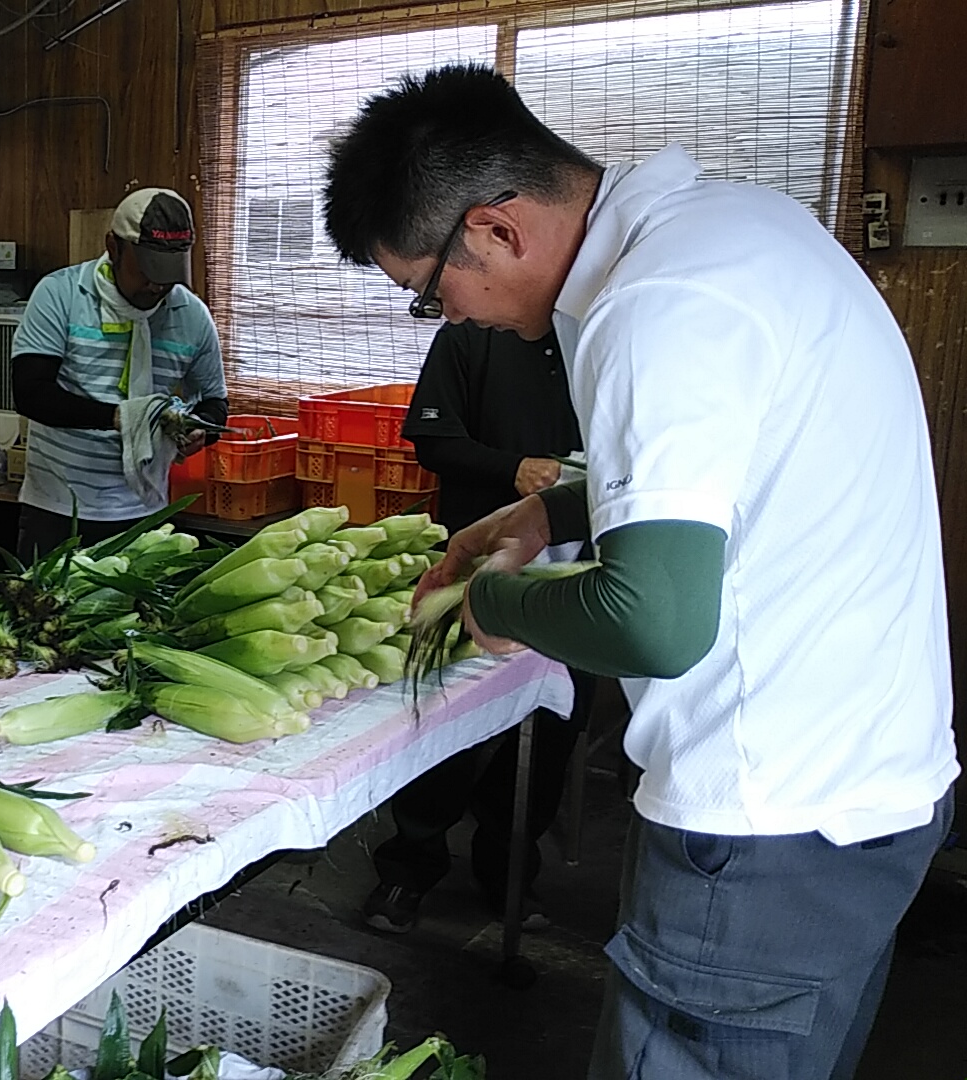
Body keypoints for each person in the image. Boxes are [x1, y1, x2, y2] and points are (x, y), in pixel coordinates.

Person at [322, 64, 957, 1080]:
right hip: (864, 800)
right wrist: (546, 509)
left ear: (494, 228)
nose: (454, 319)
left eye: (432, 293)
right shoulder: (740, 231)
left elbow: (654, 618)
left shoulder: (654, 304)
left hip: (759, 831)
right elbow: (736, 465)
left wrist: (488, 601)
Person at [363, 321, 595, 935]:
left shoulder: (609, 329)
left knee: (552, 731)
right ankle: (409, 866)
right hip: (473, 570)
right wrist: (510, 469)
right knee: (444, 719)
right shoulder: (472, 331)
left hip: (582, 577)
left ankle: (511, 871)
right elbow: (432, 437)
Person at [11, 187, 228, 561]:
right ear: (114, 247)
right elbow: (31, 392)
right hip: (59, 507)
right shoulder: (60, 295)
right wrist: (119, 418)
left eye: (169, 274)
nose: (157, 286)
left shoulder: (191, 315)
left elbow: (215, 402)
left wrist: (200, 431)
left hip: (144, 510)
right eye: (147, 271)